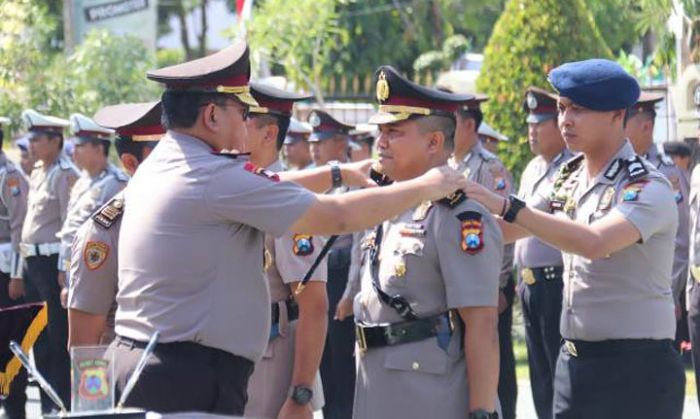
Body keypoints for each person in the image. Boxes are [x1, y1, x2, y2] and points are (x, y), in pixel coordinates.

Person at [110, 41, 467, 416]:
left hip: (153, 365)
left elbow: (266, 189)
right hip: (188, 377)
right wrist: (427, 186)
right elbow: (338, 217)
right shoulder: (212, 176)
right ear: (212, 115)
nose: (246, 121)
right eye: (242, 110)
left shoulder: (168, 161)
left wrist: (337, 172)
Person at [465, 58, 685, 419]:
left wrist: (507, 206)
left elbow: (594, 243)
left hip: (637, 371)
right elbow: (508, 230)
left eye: (579, 109)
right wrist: (448, 208)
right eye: (563, 108)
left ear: (617, 115)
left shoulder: (645, 186)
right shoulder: (567, 178)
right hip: (575, 364)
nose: (565, 120)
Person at [352, 65, 501, 419]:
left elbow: (481, 324)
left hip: (430, 397)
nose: (381, 142)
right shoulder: (390, 205)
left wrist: (481, 412)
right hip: (377, 387)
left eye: (394, 132)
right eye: (380, 131)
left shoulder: (459, 215)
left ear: (434, 142)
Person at [242, 81, 327, 419]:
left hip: (273, 359)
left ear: (268, 133)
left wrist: (300, 394)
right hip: (242, 354)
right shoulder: (239, 190)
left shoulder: (287, 200)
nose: (232, 125)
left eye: (244, 117)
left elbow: (314, 305)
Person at [67, 101, 163, 348]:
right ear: (131, 163)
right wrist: (94, 389)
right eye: (165, 156)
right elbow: (85, 342)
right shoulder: (105, 232)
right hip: (129, 374)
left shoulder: (198, 213)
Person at [449, 93, 517, 419]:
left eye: (453, 121)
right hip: (456, 285)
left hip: (487, 287)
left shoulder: (490, 167)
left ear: (469, 125)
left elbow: (504, 231)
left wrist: (500, 286)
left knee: (495, 366)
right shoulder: (446, 167)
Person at [515, 86, 573, 419]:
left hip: (555, 283)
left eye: (540, 123)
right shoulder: (532, 169)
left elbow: (530, 216)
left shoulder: (569, 167)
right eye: (530, 124)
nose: (532, 131)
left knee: (558, 373)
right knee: (539, 377)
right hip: (529, 284)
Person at [19, 109, 79, 412]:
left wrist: (64, 269)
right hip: (33, 263)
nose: (32, 145)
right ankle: (46, 405)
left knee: (58, 339)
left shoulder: (65, 174)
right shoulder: (40, 171)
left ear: (56, 141)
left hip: (53, 262)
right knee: (38, 338)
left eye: (38, 139)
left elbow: (71, 225)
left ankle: (62, 404)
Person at [307, 109, 358, 419]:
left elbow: (359, 246)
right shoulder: (312, 182)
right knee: (322, 365)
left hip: (340, 278)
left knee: (343, 368)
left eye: (321, 141)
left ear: (340, 145)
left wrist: (350, 292)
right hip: (316, 278)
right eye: (313, 141)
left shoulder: (353, 186)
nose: (314, 147)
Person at [625, 92, 689, 319]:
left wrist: (669, 292)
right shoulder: (617, 168)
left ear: (646, 126)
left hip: (656, 297)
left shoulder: (667, 173)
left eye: (626, 122)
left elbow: (680, 242)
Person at [57, 114, 127, 305]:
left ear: (99, 148)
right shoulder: (81, 182)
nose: (74, 152)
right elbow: (69, 231)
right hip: (73, 267)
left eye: (80, 146)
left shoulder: (116, 184)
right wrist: (65, 270)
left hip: (97, 271)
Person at [0, 116, 30, 419]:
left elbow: (20, 227)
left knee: (9, 341)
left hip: (5, 270)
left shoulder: (10, 176)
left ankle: (15, 407)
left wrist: (18, 273)